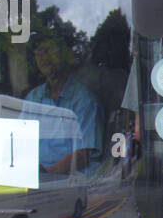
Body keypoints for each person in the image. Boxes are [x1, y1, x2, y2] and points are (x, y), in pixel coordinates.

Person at [25, 33, 104, 173]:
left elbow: (82, 155)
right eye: (39, 52)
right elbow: (20, 142)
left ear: (65, 54)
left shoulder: (84, 100)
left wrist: (46, 177)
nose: (44, 57)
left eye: (50, 50)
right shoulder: (33, 97)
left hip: (72, 183)